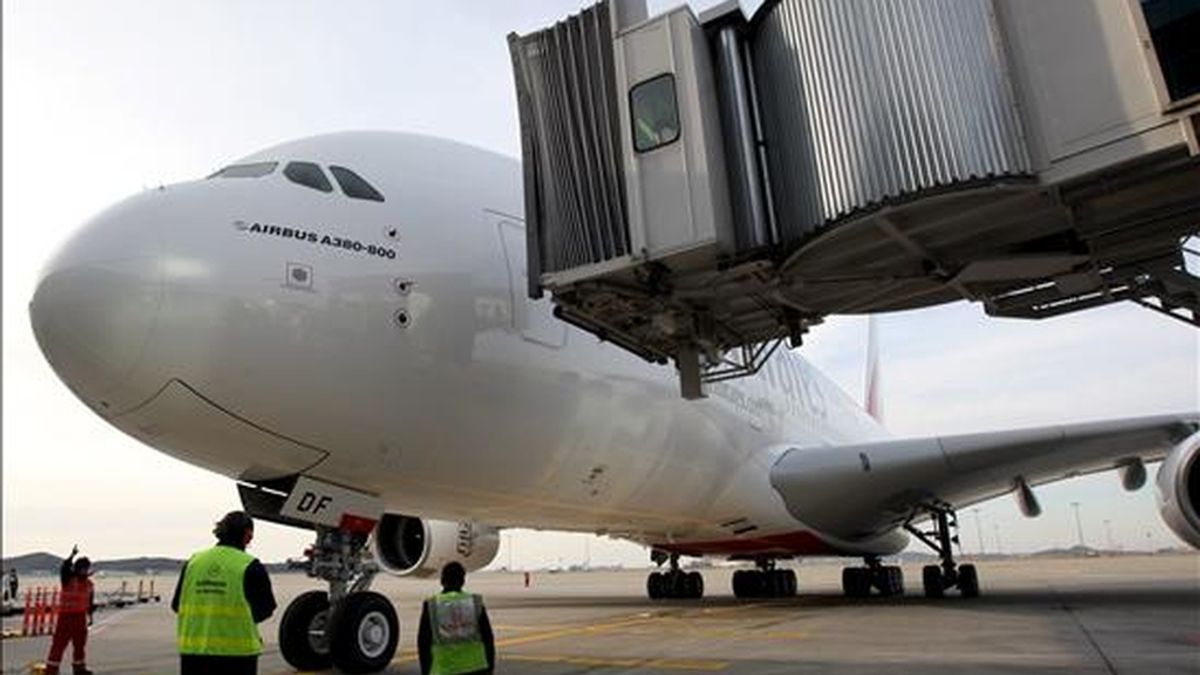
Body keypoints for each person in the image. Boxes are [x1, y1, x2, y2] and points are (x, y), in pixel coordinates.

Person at [172, 511, 276, 675]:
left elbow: (177, 605)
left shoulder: (194, 562)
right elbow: (265, 610)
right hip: (236, 656)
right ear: (248, 535)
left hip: (193, 653)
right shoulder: (249, 565)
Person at [418, 562, 495, 675]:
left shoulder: (432, 605)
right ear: (463, 581)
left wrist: (425, 671)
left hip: (444, 669)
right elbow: (488, 638)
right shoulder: (474, 603)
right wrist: (490, 666)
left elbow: (423, 643)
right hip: (476, 667)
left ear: (442, 580)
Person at [44, 545, 94, 675]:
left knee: (79, 645)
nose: (84, 571)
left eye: (86, 568)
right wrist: (72, 555)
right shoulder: (68, 579)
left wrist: (90, 616)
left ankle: (79, 669)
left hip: (80, 618)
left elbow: (90, 602)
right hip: (66, 618)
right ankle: (51, 671)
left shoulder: (89, 584)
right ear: (76, 569)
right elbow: (64, 567)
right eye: (82, 568)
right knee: (58, 645)